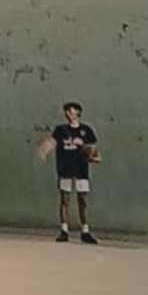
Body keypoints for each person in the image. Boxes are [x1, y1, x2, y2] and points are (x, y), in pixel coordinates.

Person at [36, 102, 100, 244]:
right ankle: (64, 230)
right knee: (65, 200)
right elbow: (51, 142)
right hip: (65, 169)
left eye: (70, 111)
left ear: (78, 112)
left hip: (81, 170)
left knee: (82, 201)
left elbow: (93, 148)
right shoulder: (61, 130)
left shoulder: (86, 130)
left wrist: (93, 156)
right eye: (66, 111)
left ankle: (85, 231)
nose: (68, 114)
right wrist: (45, 149)